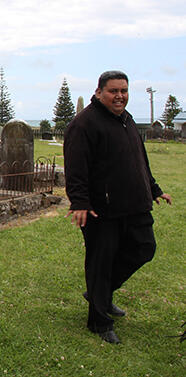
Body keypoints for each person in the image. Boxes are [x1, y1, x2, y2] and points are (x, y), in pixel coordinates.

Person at [64, 70, 172, 344]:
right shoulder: (84, 124)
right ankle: (99, 322)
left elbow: (139, 159)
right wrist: (80, 202)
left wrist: (155, 189)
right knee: (101, 262)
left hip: (135, 204)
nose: (120, 96)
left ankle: (102, 293)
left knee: (144, 247)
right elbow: (75, 168)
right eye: (114, 91)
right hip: (103, 209)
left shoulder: (127, 119)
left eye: (124, 91)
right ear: (99, 92)